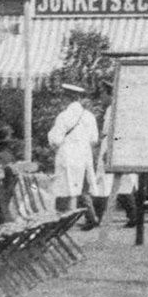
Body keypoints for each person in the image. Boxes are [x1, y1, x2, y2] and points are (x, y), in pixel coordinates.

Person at [47, 83, 101, 226]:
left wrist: (52, 140)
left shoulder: (63, 116)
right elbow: (94, 139)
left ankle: (64, 220)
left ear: (67, 98)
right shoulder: (89, 116)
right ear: (78, 98)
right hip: (83, 157)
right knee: (82, 187)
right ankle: (91, 216)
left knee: (64, 187)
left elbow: (56, 139)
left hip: (67, 156)